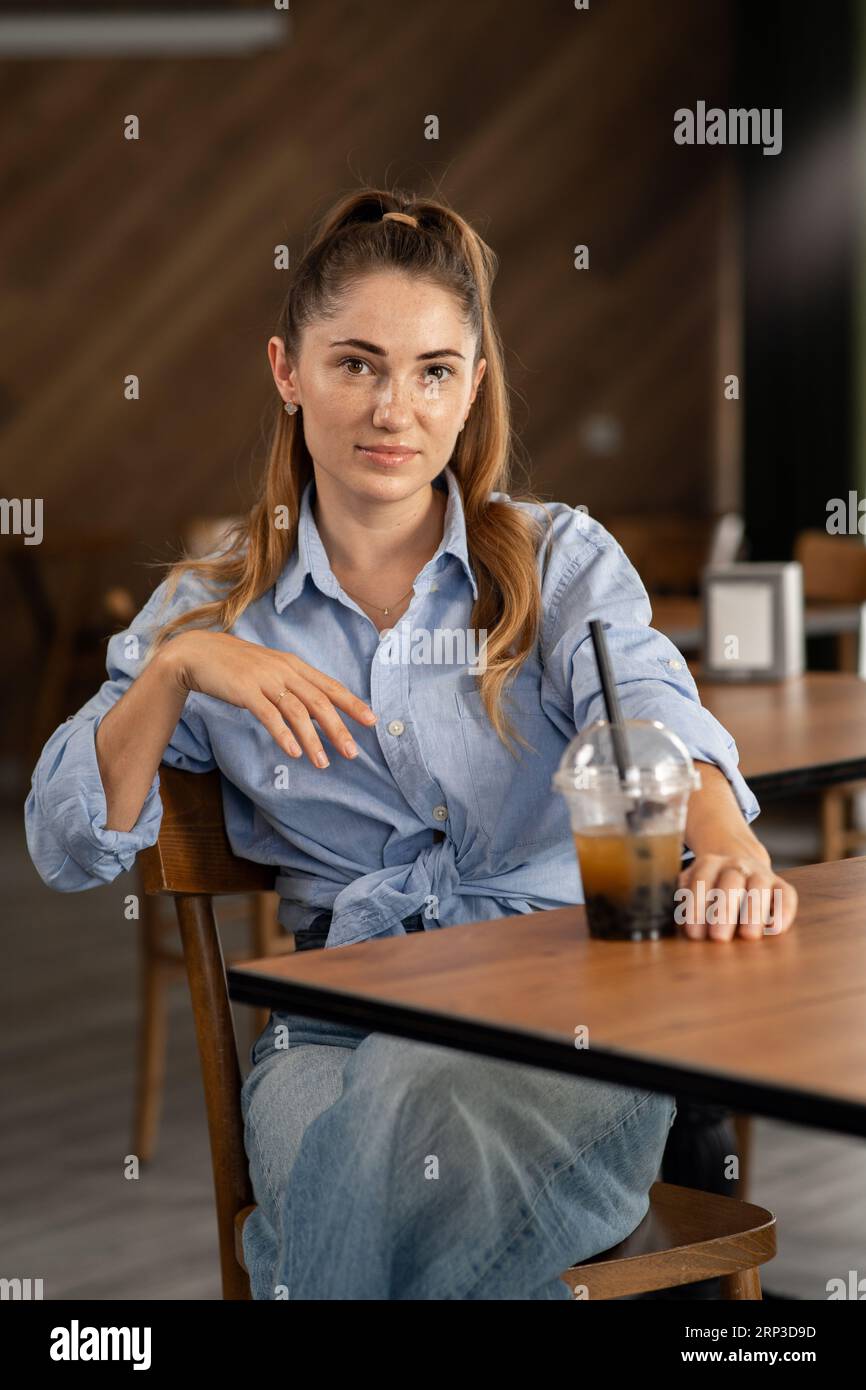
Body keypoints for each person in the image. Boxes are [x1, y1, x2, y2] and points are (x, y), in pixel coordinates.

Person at [24, 187, 798, 1300]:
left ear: (471, 387)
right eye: (356, 364)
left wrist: (722, 840)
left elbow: (645, 703)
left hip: (564, 1036)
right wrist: (176, 669)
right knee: (390, 1120)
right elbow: (64, 841)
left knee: (371, 1154)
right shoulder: (210, 608)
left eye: (433, 370)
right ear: (287, 372)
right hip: (326, 1046)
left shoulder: (558, 559)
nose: (395, 407)